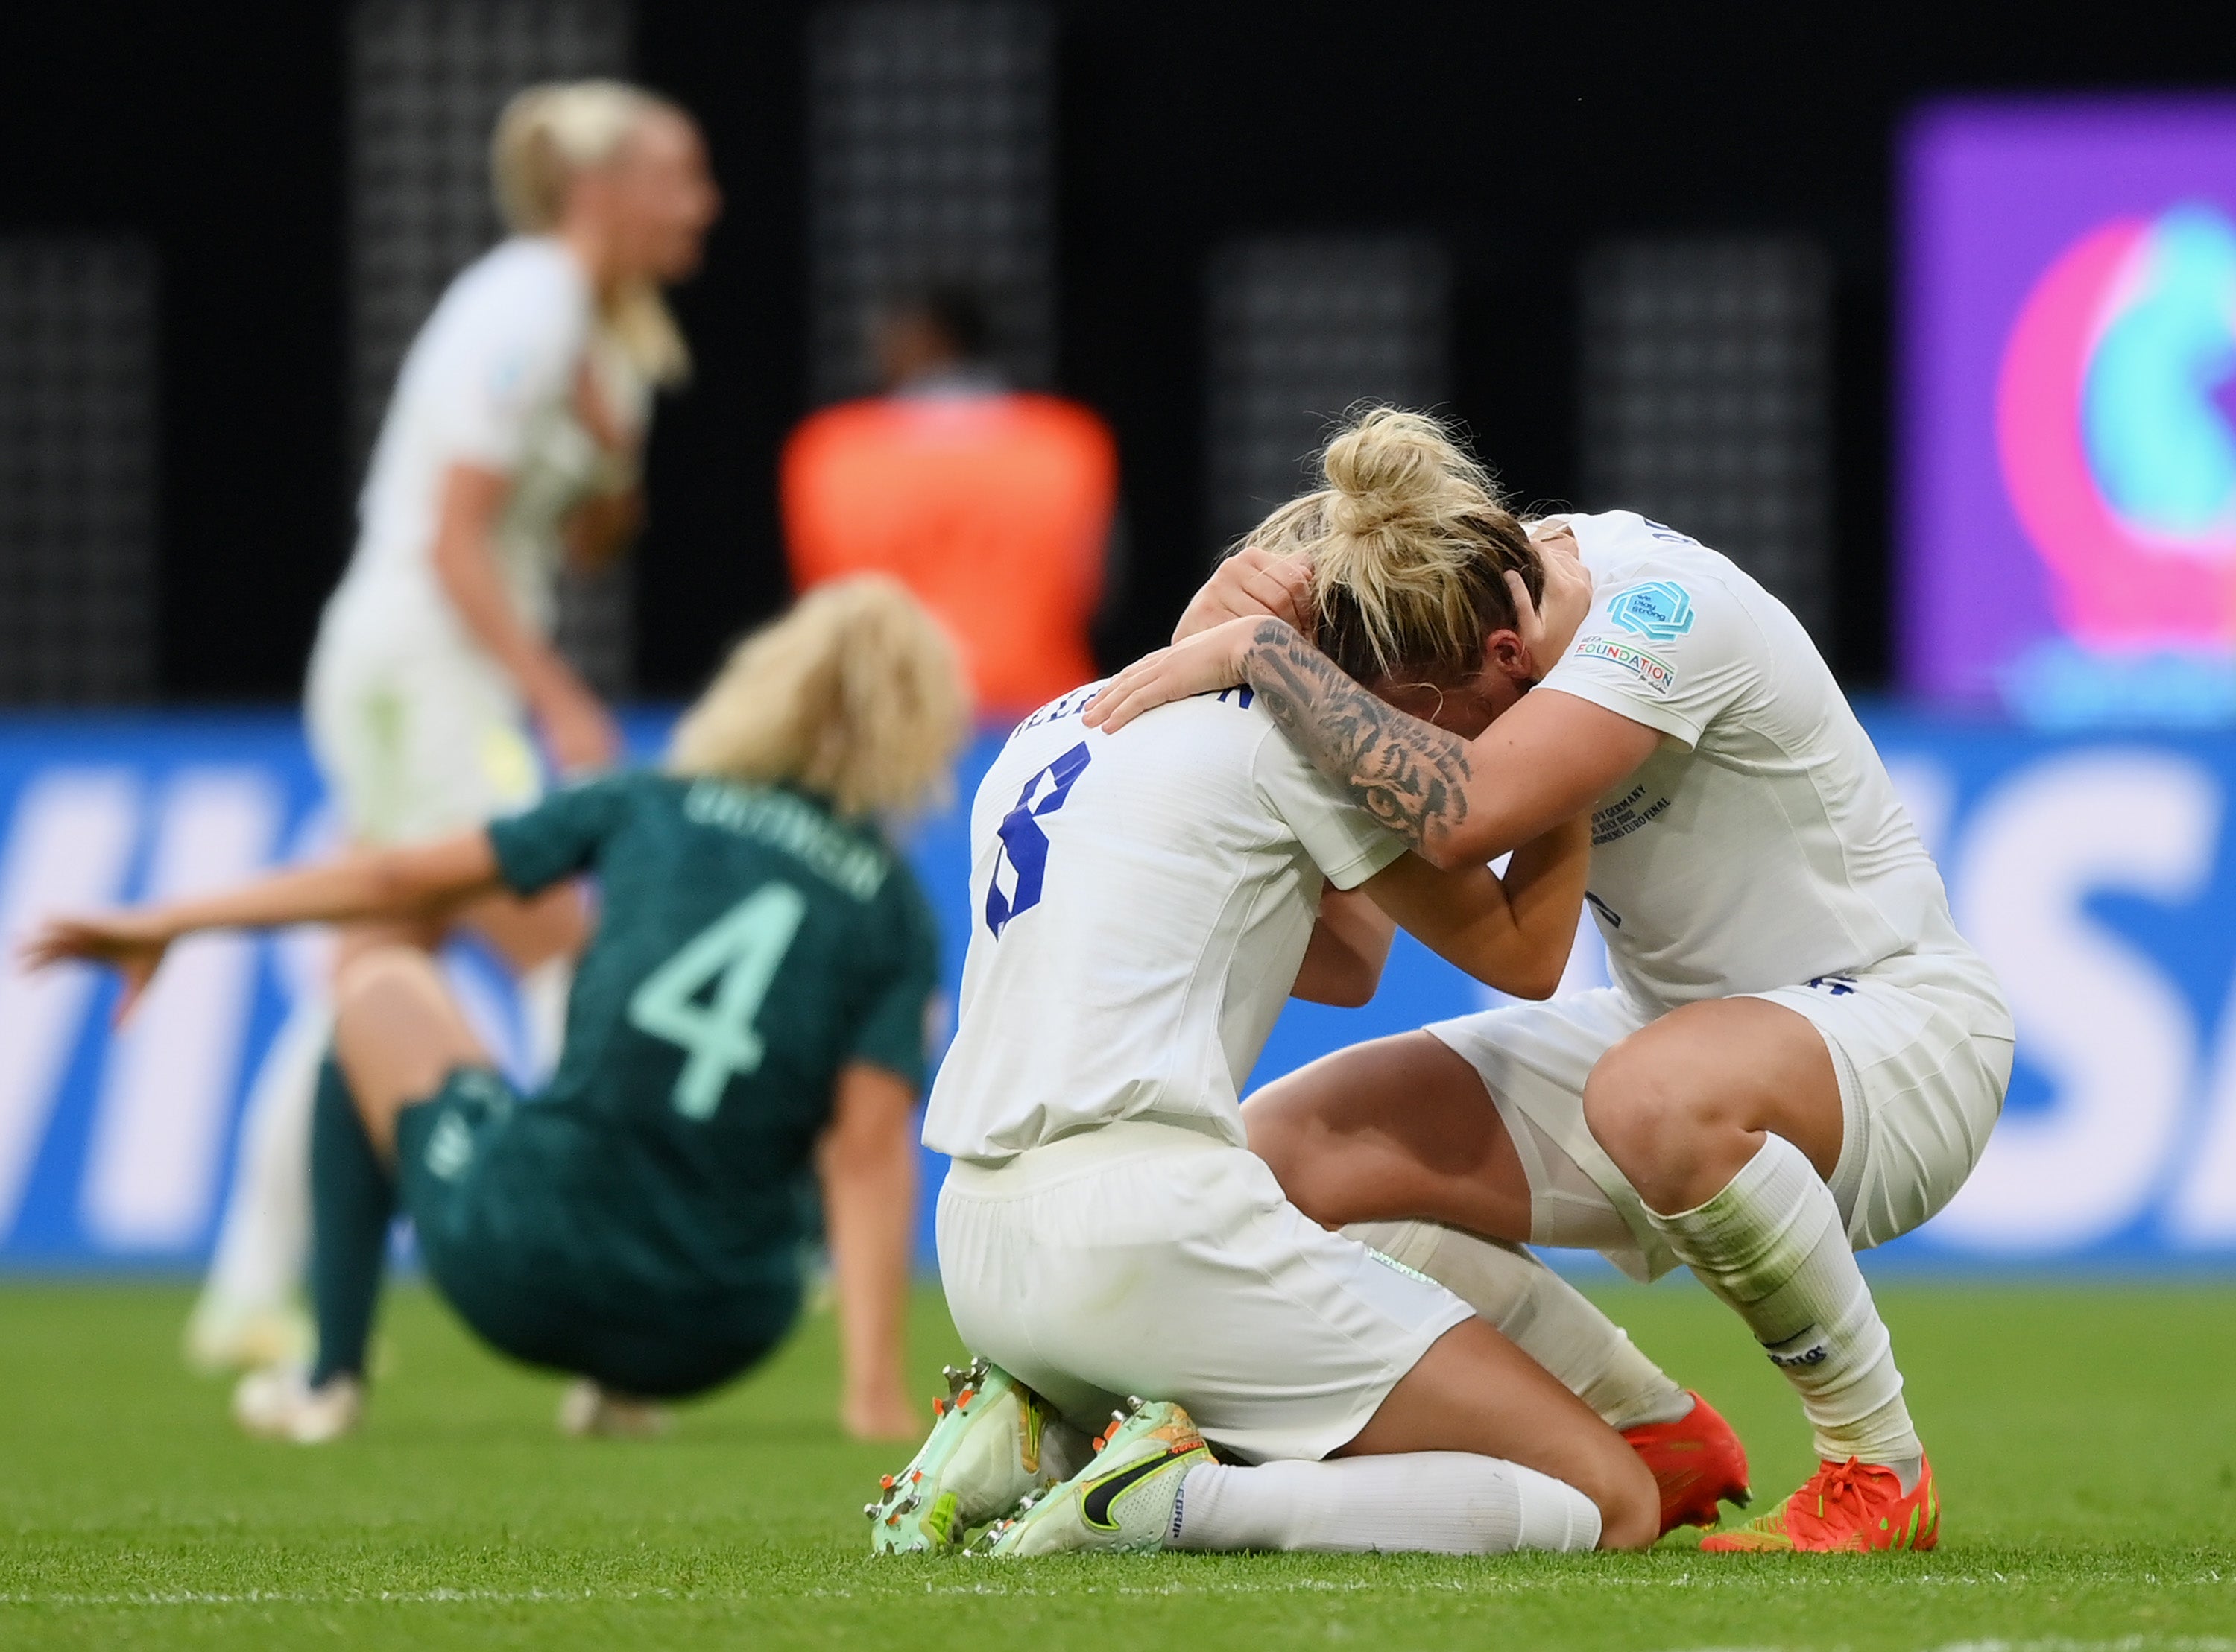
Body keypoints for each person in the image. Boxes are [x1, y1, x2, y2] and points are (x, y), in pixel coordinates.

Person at [1085, 407, 2016, 1554]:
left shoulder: (1665, 612)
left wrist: (1270, 662)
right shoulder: (1473, 617)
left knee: (1654, 1095)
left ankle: (1878, 1465)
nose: (1406, 748)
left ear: (1507, 660)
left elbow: (1464, 809)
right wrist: (1229, 674)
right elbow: (1346, 960)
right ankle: (1646, 1431)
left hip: (1898, 1029)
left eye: (1422, 722)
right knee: (1283, 1160)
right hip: (1669, 1036)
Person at [864, 414, 1764, 1562]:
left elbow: (1343, 965)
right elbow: (1529, 954)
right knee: (1613, 1501)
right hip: (1150, 1232)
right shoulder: (1283, 740)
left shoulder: (1057, 726)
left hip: (981, 1245)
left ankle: (1041, 1420)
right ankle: (1179, 1503)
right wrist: (1571, 728)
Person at [30, 579, 963, 1446]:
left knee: (379, 987)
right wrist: (872, 1394)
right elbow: (868, 1151)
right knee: (808, 1095)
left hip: (526, 1273)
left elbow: (393, 874)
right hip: (718, 1333)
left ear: (766, 681)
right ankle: (626, 1390)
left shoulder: (647, 802)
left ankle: (328, 1379)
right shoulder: (894, 909)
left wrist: (172, 920)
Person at [189, 80, 722, 1373]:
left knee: (376, 960)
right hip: (418, 662)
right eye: (680, 175)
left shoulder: (615, 345)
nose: (702, 204)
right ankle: (595, 1261)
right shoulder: (527, 300)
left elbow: (580, 538)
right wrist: (557, 694)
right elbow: (448, 537)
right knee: (557, 940)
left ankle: (247, 1292)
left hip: (430, 668)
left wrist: (609, 469)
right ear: (598, 189)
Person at [780, 285, 1118, 714]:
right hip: (1041, 715)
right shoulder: (1070, 444)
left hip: (881, 716)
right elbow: (1095, 586)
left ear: (924, 339)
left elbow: (818, 601)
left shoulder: (828, 451)